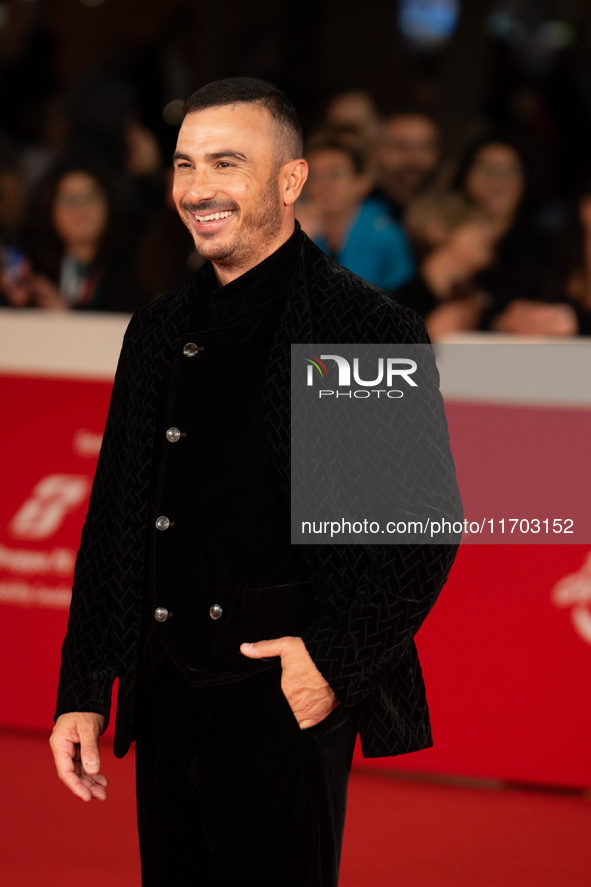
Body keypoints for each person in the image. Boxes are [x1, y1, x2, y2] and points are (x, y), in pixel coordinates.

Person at [50, 77, 460, 887]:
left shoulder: (358, 325)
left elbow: (417, 531)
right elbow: (115, 522)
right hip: (165, 688)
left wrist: (330, 667)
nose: (197, 189)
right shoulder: (159, 327)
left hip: (281, 697)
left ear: (290, 180)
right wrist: (85, 686)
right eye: (184, 164)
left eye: (226, 163)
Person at [300, 128, 414, 292]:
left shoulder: (386, 234)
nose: (322, 186)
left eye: (335, 175)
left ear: (362, 182)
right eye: (315, 176)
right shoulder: (298, 227)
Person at [371, 112, 440, 222]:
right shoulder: (358, 214)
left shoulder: (450, 213)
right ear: (377, 152)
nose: (413, 158)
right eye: (401, 147)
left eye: (423, 147)